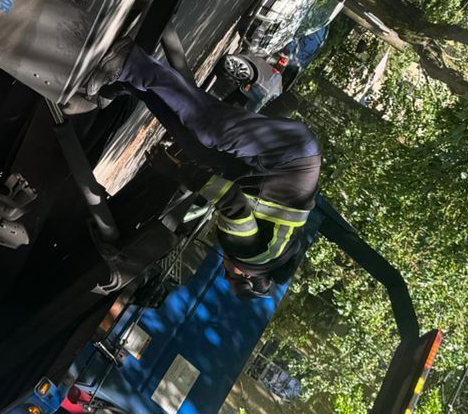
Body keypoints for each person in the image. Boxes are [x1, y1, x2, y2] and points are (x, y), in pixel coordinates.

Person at [103, 43, 321, 291]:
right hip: (287, 154)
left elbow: (242, 193)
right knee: (210, 127)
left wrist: (184, 167)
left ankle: (130, 82)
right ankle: (128, 63)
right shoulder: (248, 255)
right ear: (245, 277)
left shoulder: (269, 253)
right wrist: (175, 172)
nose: (225, 272)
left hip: (270, 167)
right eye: (229, 276)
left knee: (191, 142)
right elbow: (231, 200)